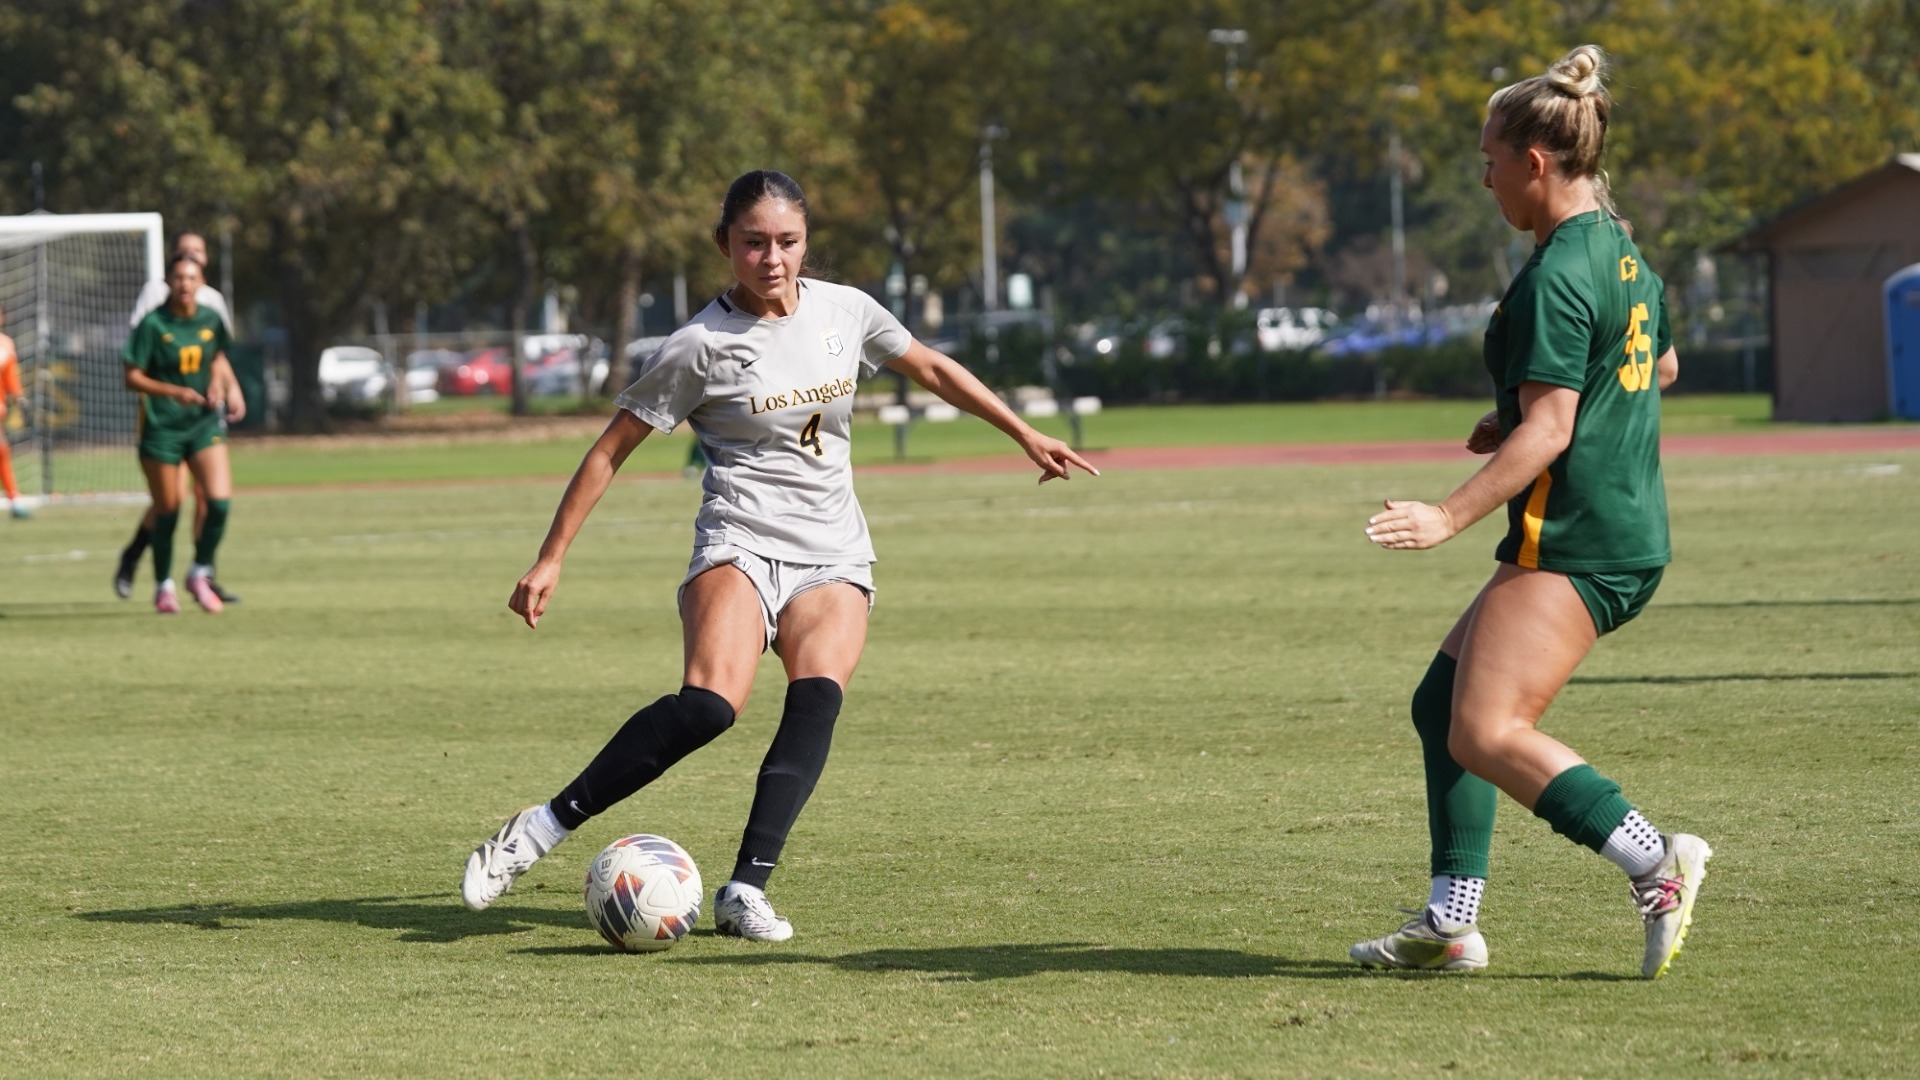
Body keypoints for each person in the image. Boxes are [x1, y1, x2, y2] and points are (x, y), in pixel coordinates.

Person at [461, 170, 1098, 939]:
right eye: (754, 242)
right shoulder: (697, 345)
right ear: (723, 243)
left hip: (834, 550)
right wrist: (551, 557)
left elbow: (927, 365)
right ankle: (539, 827)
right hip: (740, 539)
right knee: (708, 707)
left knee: (816, 696)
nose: (772, 258)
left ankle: (744, 891)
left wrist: (1024, 431)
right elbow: (609, 451)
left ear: (806, 241)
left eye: (787, 241)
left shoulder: (846, 310)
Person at [1348, 45, 1709, 979]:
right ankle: (1449, 921)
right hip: (1614, 524)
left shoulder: (1555, 273)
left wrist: (1446, 515)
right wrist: (1514, 411)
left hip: (1579, 536)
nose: (1486, 177)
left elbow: (1551, 430)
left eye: (1490, 160)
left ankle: (1653, 862)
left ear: (1536, 163)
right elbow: (1657, 367)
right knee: (1444, 705)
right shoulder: (1616, 247)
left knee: (1488, 729)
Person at [115, 231, 242, 603]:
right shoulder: (154, 306)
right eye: (183, 259)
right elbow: (137, 365)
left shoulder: (213, 305)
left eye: (197, 256)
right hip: (163, 421)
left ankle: (203, 573)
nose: (187, 274)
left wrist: (227, 387)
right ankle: (145, 566)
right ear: (171, 269)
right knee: (170, 504)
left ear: (203, 269)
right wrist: (174, 391)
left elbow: (217, 356)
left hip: (202, 420)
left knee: (214, 500)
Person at [0, 306, 29, 518]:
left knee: (2, 451)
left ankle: (14, 498)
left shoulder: (6, 344)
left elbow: (11, 376)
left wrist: (19, 396)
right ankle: (14, 499)